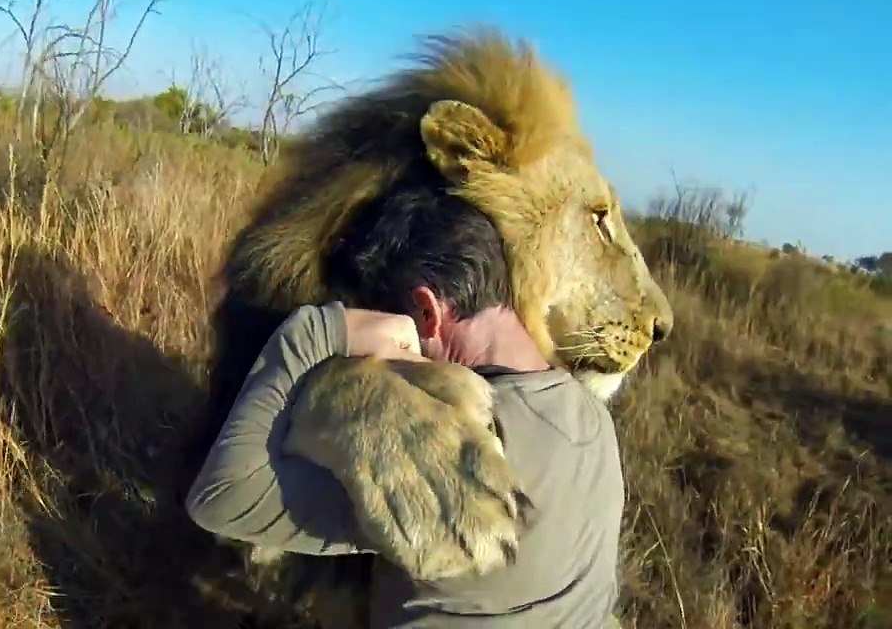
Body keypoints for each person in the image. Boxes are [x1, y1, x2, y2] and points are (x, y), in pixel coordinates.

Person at [184, 185, 626, 628]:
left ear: (425, 311)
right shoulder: (593, 415)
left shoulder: (464, 440)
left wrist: (323, 331)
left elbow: (220, 499)